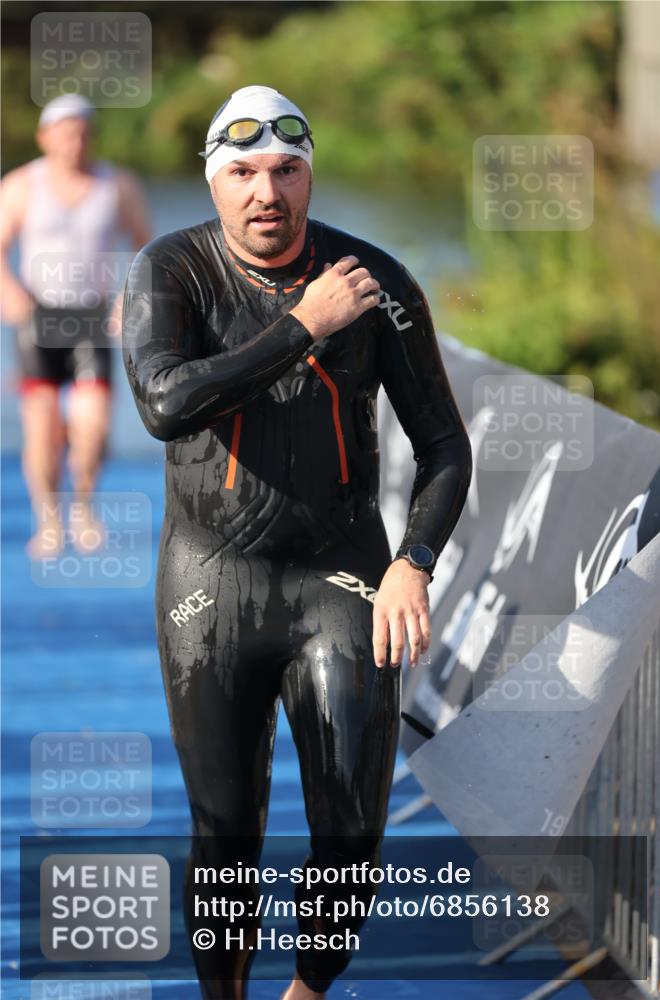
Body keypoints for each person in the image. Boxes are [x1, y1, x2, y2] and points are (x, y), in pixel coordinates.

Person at [122, 85, 472, 1000]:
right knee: (226, 833)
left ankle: (305, 994)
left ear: (309, 176)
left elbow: (441, 443)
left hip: (344, 578)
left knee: (352, 830)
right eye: (241, 173)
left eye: (285, 170)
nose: (264, 192)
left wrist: (414, 562)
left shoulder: (376, 281)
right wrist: (303, 327)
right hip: (209, 582)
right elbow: (164, 406)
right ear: (215, 181)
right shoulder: (169, 271)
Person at [0, 93, 151, 558]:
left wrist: (127, 300)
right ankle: (48, 519)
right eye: (65, 134)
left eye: (83, 134)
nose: (75, 143)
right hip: (39, 315)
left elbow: (149, 248)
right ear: (45, 137)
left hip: (92, 316)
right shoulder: (22, 185)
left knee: (92, 427)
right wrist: (11, 296)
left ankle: (83, 506)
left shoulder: (116, 185)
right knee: (43, 429)